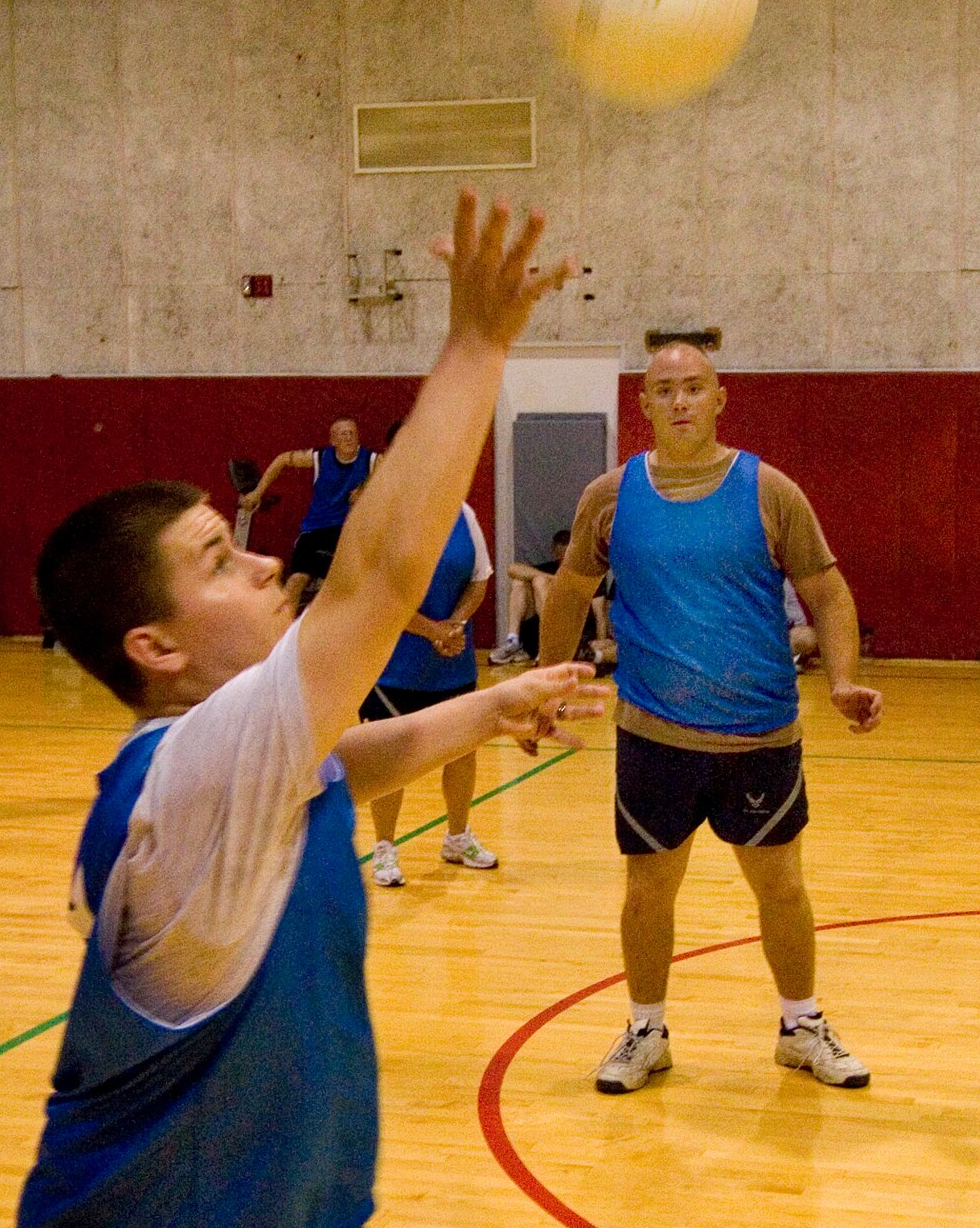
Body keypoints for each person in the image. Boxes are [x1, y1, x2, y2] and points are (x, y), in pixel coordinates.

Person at [16, 193, 602, 1228]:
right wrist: (476, 344)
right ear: (154, 648)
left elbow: (354, 753)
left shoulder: (251, 765)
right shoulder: (193, 774)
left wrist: (486, 707)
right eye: (220, 559)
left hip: (277, 1192)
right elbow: (374, 588)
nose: (262, 564)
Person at [538, 341, 883, 1096]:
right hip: (653, 733)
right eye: (665, 391)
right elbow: (567, 591)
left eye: (694, 388)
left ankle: (800, 1026)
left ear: (720, 397)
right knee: (647, 889)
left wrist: (843, 680)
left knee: (782, 887)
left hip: (758, 731)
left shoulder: (769, 490)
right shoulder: (610, 495)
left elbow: (827, 592)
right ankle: (645, 1029)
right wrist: (543, 682)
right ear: (645, 406)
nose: (681, 402)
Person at [359, 425, 497, 888]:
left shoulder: (463, 513)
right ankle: (383, 849)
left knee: (461, 751)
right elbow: (379, 595)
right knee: (390, 757)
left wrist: (454, 625)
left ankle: (457, 837)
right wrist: (431, 630)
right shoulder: (380, 518)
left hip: (452, 659)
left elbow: (479, 578)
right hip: (394, 664)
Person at [240, 417, 376, 614]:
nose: (348, 438)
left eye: (352, 433)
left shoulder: (370, 460)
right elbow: (283, 459)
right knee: (296, 581)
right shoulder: (320, 458)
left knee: (340, 588)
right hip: (315, 529)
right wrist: (257, 493)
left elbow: (393, 467)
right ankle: (280, 636)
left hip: (346, 531)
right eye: (342, 434)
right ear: (333, 440)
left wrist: (366, 487)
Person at [489, 528, 612, 668]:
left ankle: (550, 648)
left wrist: (601, 645)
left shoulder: (589, 574)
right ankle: (513, 641)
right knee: (521, 583)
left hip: (574, 637)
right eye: (561, 557)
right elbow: (512, 569)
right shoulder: (549, 569)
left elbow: (600, 614)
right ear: (555, 554)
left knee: (539, 582)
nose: (564, 561)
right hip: (538, 635)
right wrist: (554, 579)